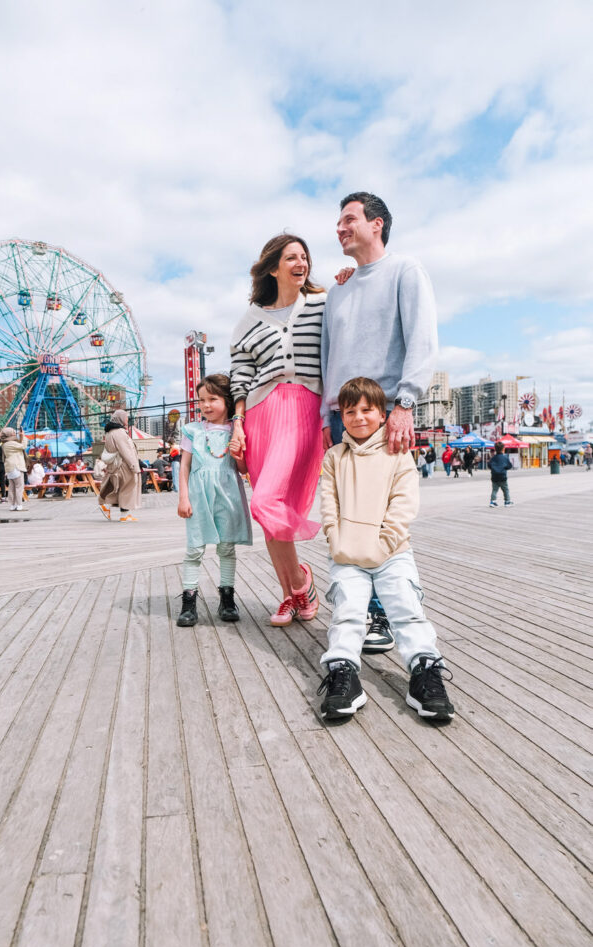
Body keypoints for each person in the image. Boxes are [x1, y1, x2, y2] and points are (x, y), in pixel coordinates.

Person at [321, 192, 437, 654]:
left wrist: (405, 403)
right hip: (339, 416)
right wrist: (323, 416)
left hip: (385, 410)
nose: (340, 228)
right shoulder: (339, 288)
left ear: (378, 224)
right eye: (338, 221)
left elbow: (422, 338)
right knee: (347, 515)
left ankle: (386, 612)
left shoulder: (406, 270)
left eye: (349, 219)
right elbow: (329, 356)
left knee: (386, 515)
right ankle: (355, 607)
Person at [317, 377, 454, 722]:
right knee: (347, 612)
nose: (358, 416)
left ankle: (424, 672)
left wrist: (383, 544)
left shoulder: (398, 454)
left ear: (383, 414)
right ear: (342, 415)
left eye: (367, 409)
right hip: (348, 555)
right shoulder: (334, 457)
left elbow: (403, 505)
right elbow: (328, 504)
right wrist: (336, 539)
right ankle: (344, 673)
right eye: (350, 410)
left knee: (406, 608)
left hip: (392, 553)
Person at [230, 233, 325, 626]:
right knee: (271, 513)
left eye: (304, 257)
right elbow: (241, 373)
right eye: (291, 258)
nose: (300, 263)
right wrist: (237, 424)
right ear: (273, 267)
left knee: (267, 501)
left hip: (306, 408)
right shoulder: (251, 317)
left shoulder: (323, 305)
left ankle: (301, 582)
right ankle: (292, 596)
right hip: (260, 415)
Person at [177, 374, 252, 626]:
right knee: (195, 547)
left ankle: (227, 598)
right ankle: (189, 601)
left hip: (228, 494)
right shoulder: (192, 430)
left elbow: (242, 469)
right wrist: (183, 497)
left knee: (227, 547)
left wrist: (239, 454)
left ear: (227, 401)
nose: (206, 405)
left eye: (213, 399)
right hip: (198, 496)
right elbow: (184, 466)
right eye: (202, 400)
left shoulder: (237, 430)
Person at [98, 409, 142, 521]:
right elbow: (126, 451)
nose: (127, 420)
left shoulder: (109, 432)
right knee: (128, 487)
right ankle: (124, 515)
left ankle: (108, 507)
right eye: (125, 418)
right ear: (120, 419)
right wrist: (134, 466)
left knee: (119, 488)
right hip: (124, 465)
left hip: (116, 464)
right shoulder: (119, 432)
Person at [0, 427, 27, 510]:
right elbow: (23, 446)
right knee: (19, 487)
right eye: (13, 432)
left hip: (9, 467)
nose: (14, 433)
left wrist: (20, 437)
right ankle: (19, 505)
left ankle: (12, 505)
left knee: (12, 487)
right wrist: (24, 437)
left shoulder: (5, 444)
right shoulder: (11, 443)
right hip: (16, 466)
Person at [488, 441, 513, 506]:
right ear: (503, 449)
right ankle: (507, 501)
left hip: (494, 476)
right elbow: (509, 466)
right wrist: (505, 468)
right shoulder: (505, 457)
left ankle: (492, 501)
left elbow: (489, 465)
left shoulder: (493, 458)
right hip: (502, 476)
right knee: (505, 489)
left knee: (494, 490)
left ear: (495, 449)